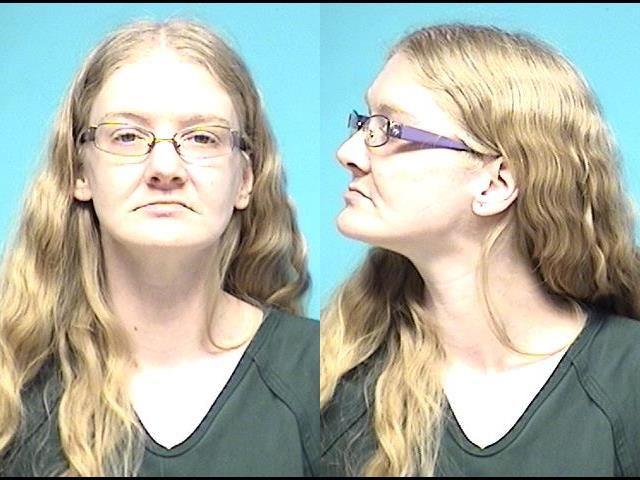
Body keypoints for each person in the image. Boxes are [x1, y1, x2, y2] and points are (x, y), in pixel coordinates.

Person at [0, 18, 319, 476]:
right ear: (79, 171)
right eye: (127, 136)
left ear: (245, 179)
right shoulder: (12, 383)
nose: (165, 167)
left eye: (202, 137)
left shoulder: (319, 372)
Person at [320, 23, 640, 477]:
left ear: (495, 184)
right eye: (364, 122)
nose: (349, 152)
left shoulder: (626, 384)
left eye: (388, 128)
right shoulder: (335, 382)